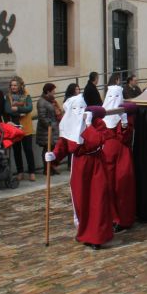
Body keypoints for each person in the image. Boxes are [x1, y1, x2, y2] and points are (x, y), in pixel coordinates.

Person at [45, 99, 113, 248]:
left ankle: (97, 237)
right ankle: (84, 232)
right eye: (76, 108)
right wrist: (54, 155)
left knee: (98, 199)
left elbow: (98, 140)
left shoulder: (96, 122)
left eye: (83, 106)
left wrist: (88, 125)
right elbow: (63, 144)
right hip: (79, 165)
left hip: (96, 162)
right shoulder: (68, 124)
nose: (80, 110)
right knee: (81, 199)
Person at [101, 85, 136, 231]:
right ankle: (110, 217)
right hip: (106, 154)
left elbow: (126, 137)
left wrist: (124, 122)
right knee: (107, 186)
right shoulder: (102, 116)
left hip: (122, 154)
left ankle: (124, 219)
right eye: (110, 96)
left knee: (122, 185)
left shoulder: (127, 115)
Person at [5, 76, 36, 181]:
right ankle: (20, 172)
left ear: (19, 86)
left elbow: (29, 108)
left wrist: (17, 108)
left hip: (26, 127)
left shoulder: (26, 95)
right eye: (12, 85)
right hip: (15, 128)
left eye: (15, 85)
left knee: (28, 150)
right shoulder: (8, 96)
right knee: (16, 151)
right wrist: (21, 111)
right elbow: (8, 109)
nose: (13, 87)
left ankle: (32, 172)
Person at [36, 83, 61, 174]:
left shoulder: (51, 101)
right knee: (47, 149)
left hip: (52, 129)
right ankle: (46, 169)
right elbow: (42, 117)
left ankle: (51, 168)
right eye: (53, 90)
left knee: (52, 149)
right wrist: (51, 125)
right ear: (48, 91)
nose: (54, 92)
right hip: (46, 131)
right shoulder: (42, 102)